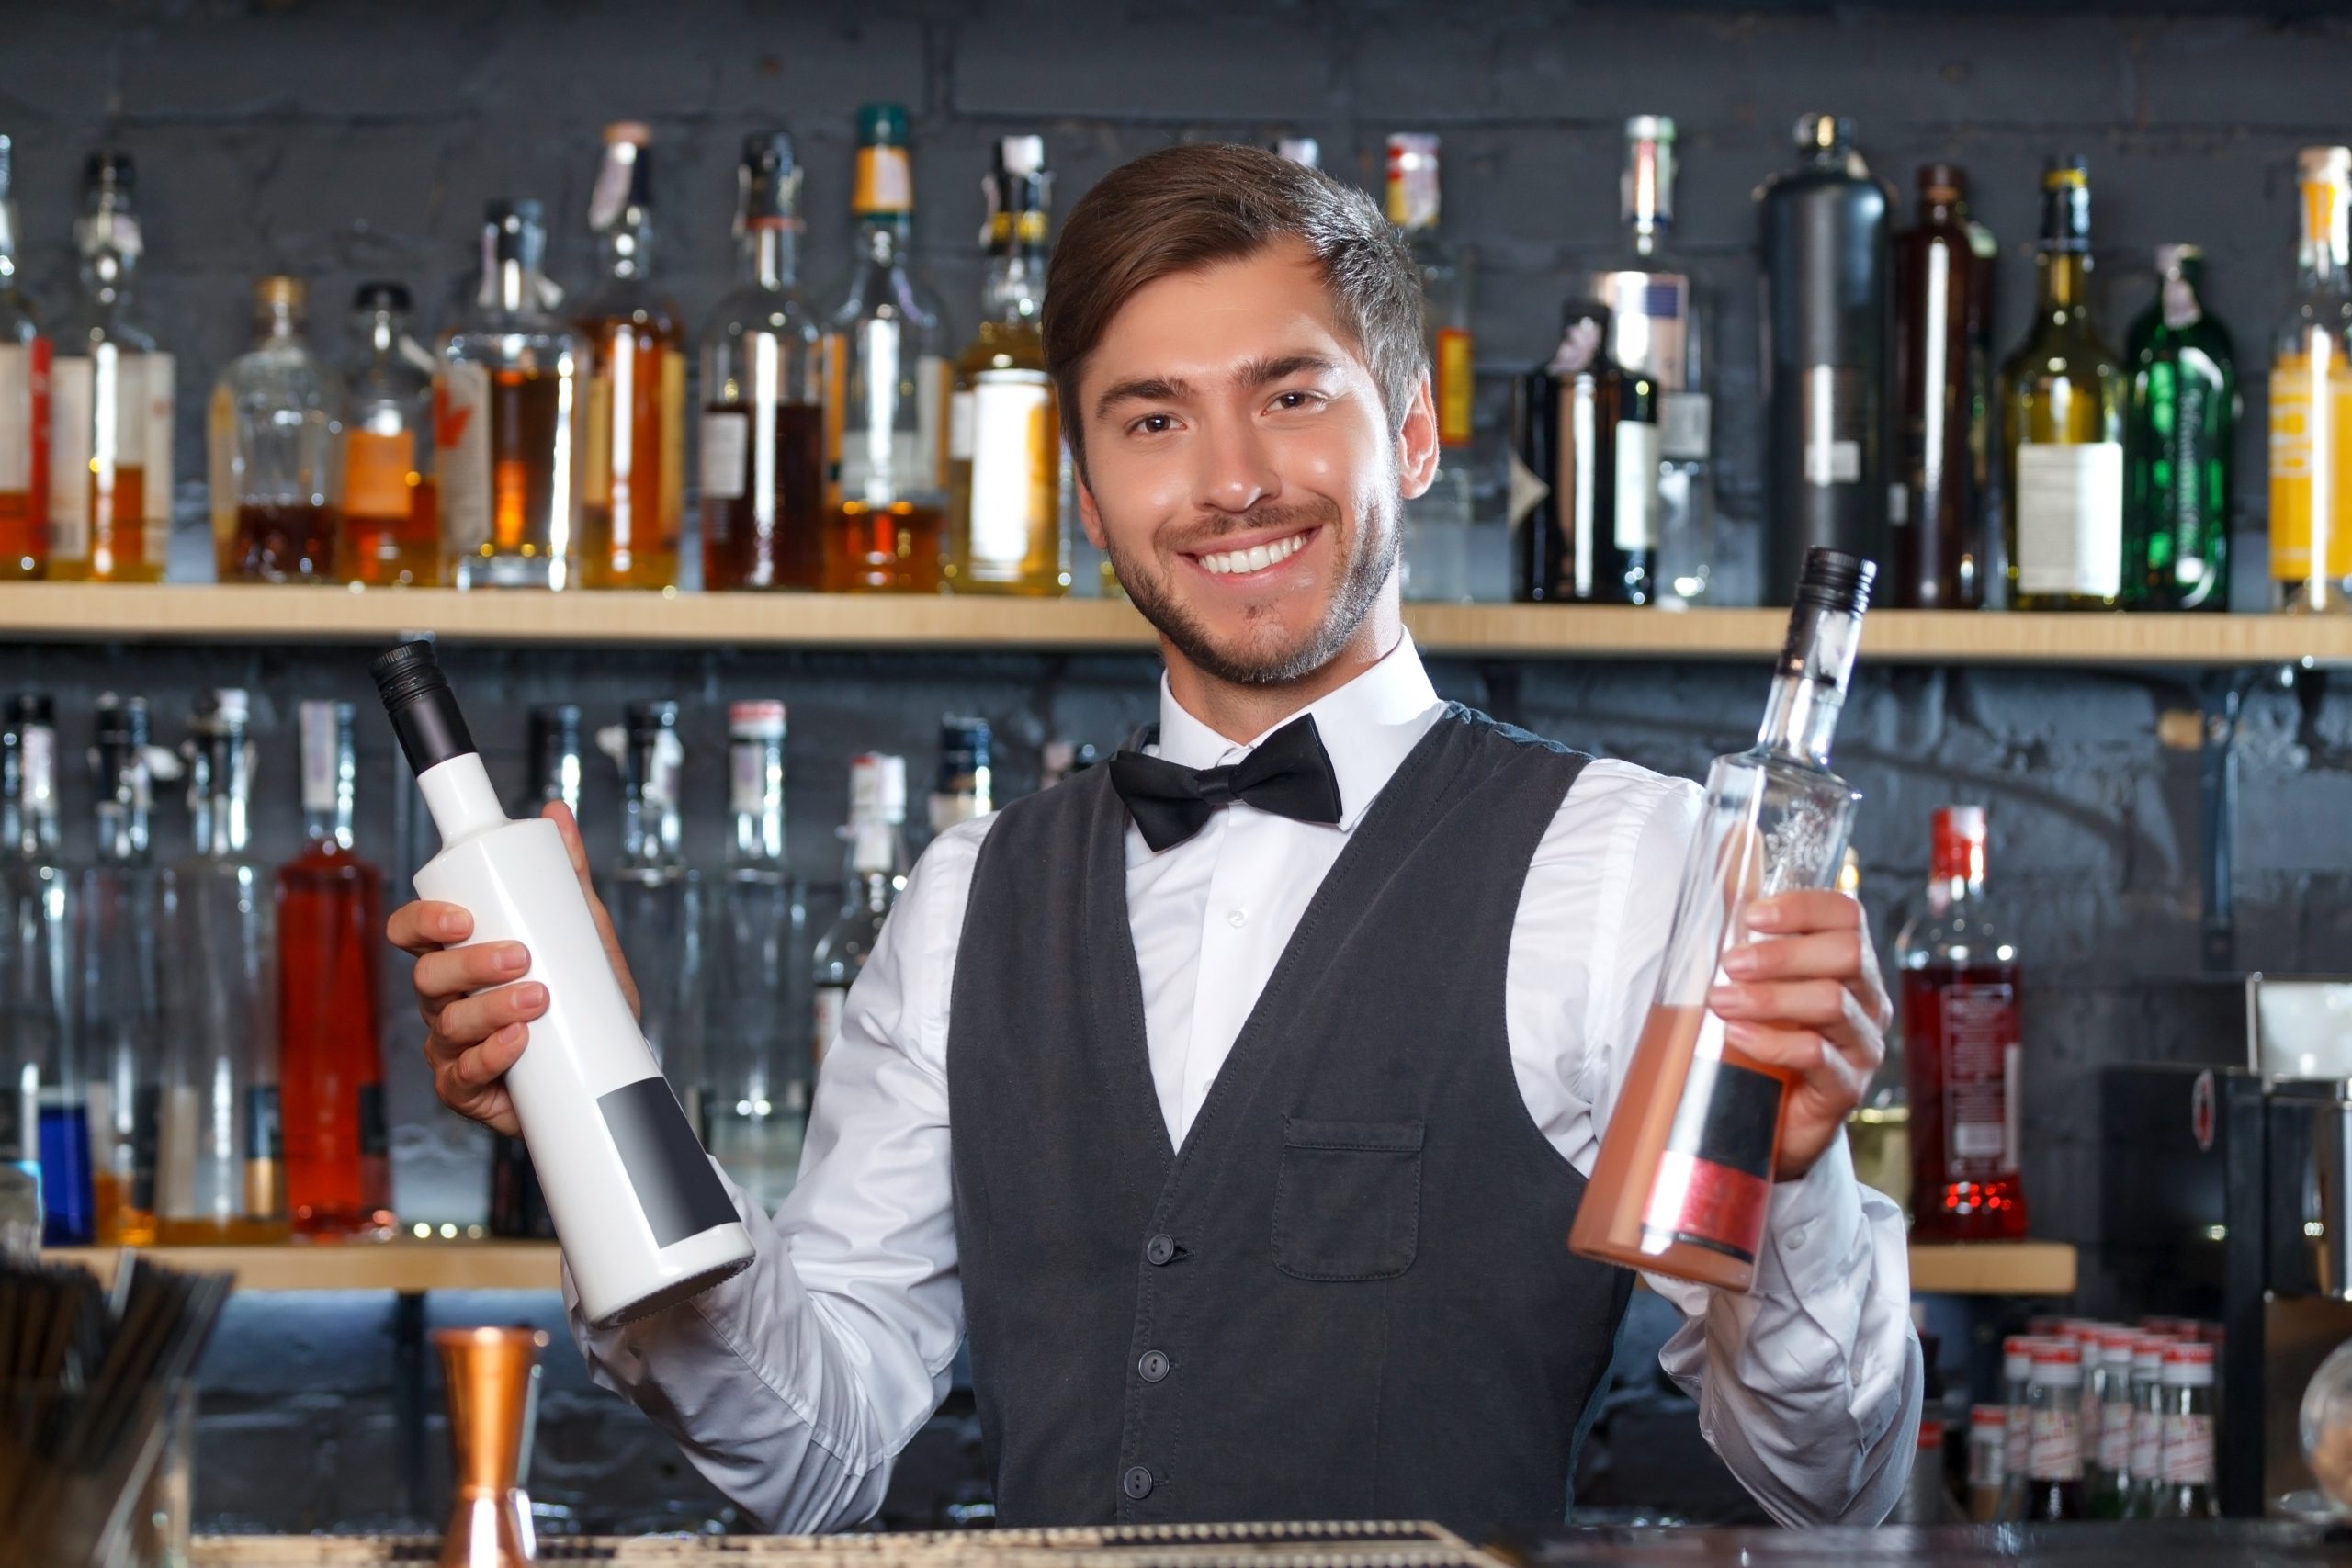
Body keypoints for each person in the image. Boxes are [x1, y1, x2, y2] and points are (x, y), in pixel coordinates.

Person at [389, 143, 1921, 1534]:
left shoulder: (1630, 867)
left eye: (1293, 393)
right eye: (1154, 419)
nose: (1233, 476)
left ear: (1416, 429)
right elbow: (818, 1447)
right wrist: (590, 1112)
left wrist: (1800, 1180)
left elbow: (1824, 1476)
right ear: (1086, 492)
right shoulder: (963, 902)